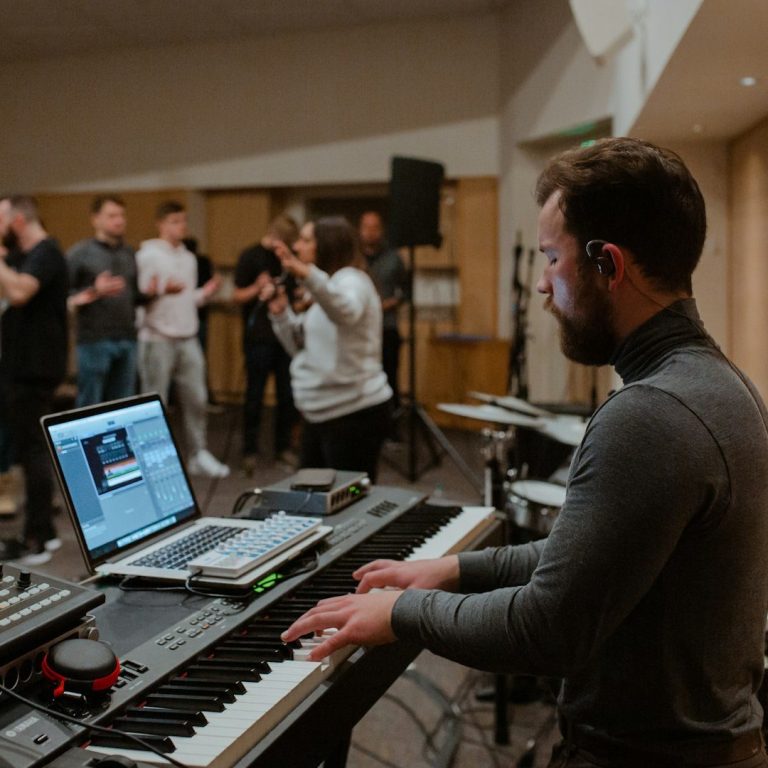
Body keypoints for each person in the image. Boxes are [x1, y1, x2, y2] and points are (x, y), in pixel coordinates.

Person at [282, 139, 768, 767]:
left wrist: (403, 612)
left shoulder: (650, 413)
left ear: (608, 264)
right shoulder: (721, 383)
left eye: (552, 258)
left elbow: (548, 629)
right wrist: (454, 571)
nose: (541, 283)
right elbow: (590, 554)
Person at [263, 216, 392, 482]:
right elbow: (301, 349)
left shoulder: (352, 280)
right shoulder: (326, 288)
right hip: (320, 413)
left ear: (326, 245)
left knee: (347, 499)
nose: (297, 247)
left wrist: (307, 274)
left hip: (353, 413)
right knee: (312, 494)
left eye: (305, 240)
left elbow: (346, 311)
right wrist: (281, 315)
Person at [136, 200, 229, 478]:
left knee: (197, 398)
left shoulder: (189, 258)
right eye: (174, 221)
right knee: (155, 402)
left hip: (187, 336)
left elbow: (188, 299)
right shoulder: (147, 256)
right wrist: (160, 291)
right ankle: (153, 458)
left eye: (183, 221)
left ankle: (198, 454)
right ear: (161, 224)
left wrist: (205, 293)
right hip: (157, 336)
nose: (181, 227)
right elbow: (140, 297)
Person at [0, 195, 68, 565]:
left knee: (33, 451)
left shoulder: (47, 252)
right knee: (28, 450)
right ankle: (43, 530)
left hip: (34, 368)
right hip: (19, 366)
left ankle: (38, 537)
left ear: (18, 221)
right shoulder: (23, 257)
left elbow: (19, 292)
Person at [233, 214, 299, 472]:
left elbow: (293, 297)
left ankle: (283, 448)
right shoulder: (250, 256)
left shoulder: (288, 261)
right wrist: (257, 288)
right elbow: (237, 296)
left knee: (287, 397)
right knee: (255, 396)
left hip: (285, 339)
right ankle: (249, 450)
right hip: (258, 339)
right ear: (274, 235)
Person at [67, 195, 146, 406]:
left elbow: (135, 295)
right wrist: (94, 291)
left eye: (121, 215)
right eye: (112, 216)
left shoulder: (129, 253)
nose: (119, 221)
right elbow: (65, 295)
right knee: (90, 403)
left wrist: (155, 292)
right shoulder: (80, 253)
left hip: (127, 336)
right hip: (95, 339)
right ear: (96, 219)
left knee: (123, 403)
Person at [358, 211, 408, 416]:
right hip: (359, 330)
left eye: (375, 227)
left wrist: (389, 304)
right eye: (366, 227)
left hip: (386, 327)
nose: (371, 232)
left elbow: (406, 290)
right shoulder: (354, 259)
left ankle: (392, 423)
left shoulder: (394, 258)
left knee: (389, 377)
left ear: (381, 230)